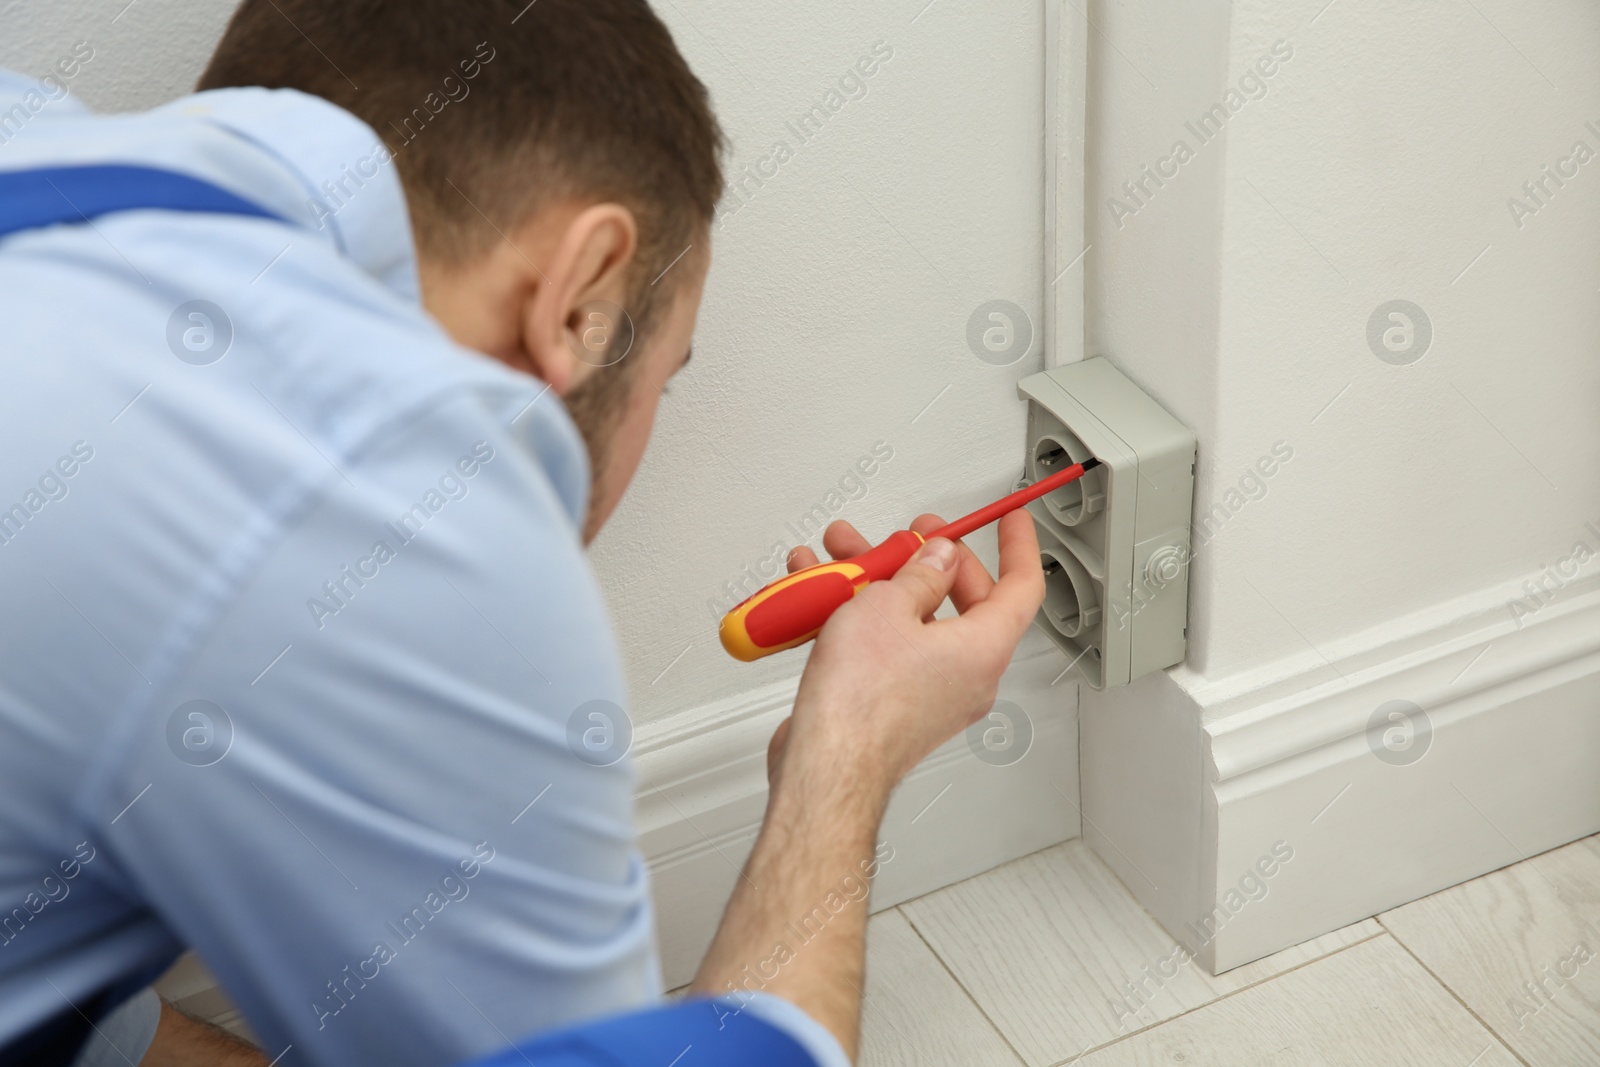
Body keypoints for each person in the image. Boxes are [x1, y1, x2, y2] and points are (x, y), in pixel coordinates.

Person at [0, 1, 1045, 1064]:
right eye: (662, 381)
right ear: (579, 302)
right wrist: (847, 755)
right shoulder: (380, 506)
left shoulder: (32, 140)